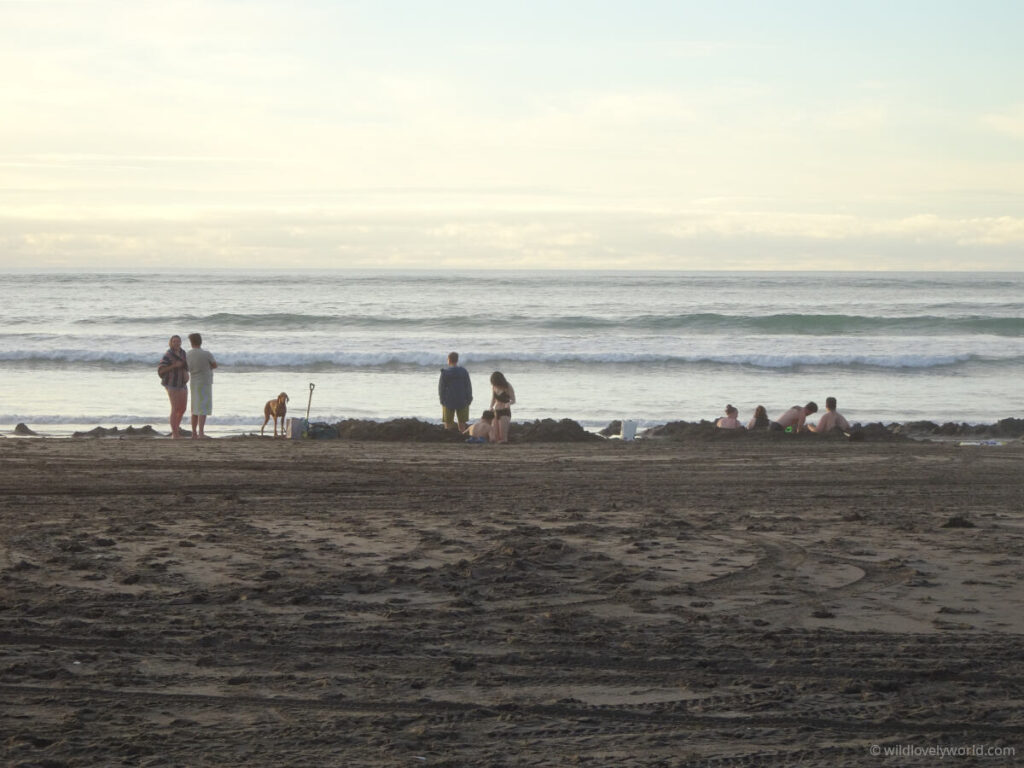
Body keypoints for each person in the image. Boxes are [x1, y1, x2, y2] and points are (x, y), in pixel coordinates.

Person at [185, 332, 218, 439]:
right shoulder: (206, 353)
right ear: (200, 341)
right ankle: (201, 432)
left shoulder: (188, 354)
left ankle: (194, 432)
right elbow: (214, 365)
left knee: (194, 407)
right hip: (205, 381)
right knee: (202, 408)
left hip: (194, 381)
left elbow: (187, 368)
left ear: (191, 342)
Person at [157, 335, 189, 438]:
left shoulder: (183, 353)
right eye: (174, 341)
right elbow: (161, 370)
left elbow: (186, 365)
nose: (176, 343)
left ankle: (176, 428)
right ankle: (174, 433)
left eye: (178, 341)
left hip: (182, 383)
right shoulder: (168, 355)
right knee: (175, 408)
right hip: (171, 384)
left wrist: (186, 372)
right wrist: (174, 366)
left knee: (183, 408)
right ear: (171, 343)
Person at [438, 352, 472, 431]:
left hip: (448, 399)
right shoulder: (463, 371)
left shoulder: (445, 372)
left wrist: (442, 400)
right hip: (462, 399)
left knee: (448, 423)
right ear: (457, 360)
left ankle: (449, 436)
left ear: (448, 360)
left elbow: (441, 388)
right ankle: (462, 437)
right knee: (462, 423)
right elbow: (468, 386)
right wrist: (469, 398)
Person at [489, 371, 516, 444]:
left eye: (496, 383)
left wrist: (508, 403)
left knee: (503, 438)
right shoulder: (494, 387)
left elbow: (513, 400)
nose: (495, 385)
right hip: (496, 412)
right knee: (495, 438)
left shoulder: (507, 386)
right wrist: (490, 407)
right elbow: (493, 399)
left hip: (505, 412)